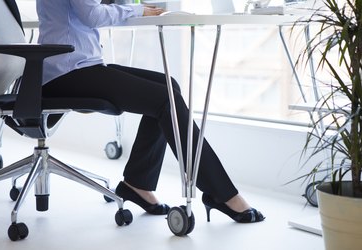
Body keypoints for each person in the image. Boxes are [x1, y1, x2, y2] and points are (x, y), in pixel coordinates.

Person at [37, 0, 265, 223]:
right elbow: (92, 15)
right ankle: (222, 193)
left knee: (169, 87)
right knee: (166, 99)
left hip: (80, 66)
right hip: (67, 73)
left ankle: (138, 184)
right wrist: (137, 10)